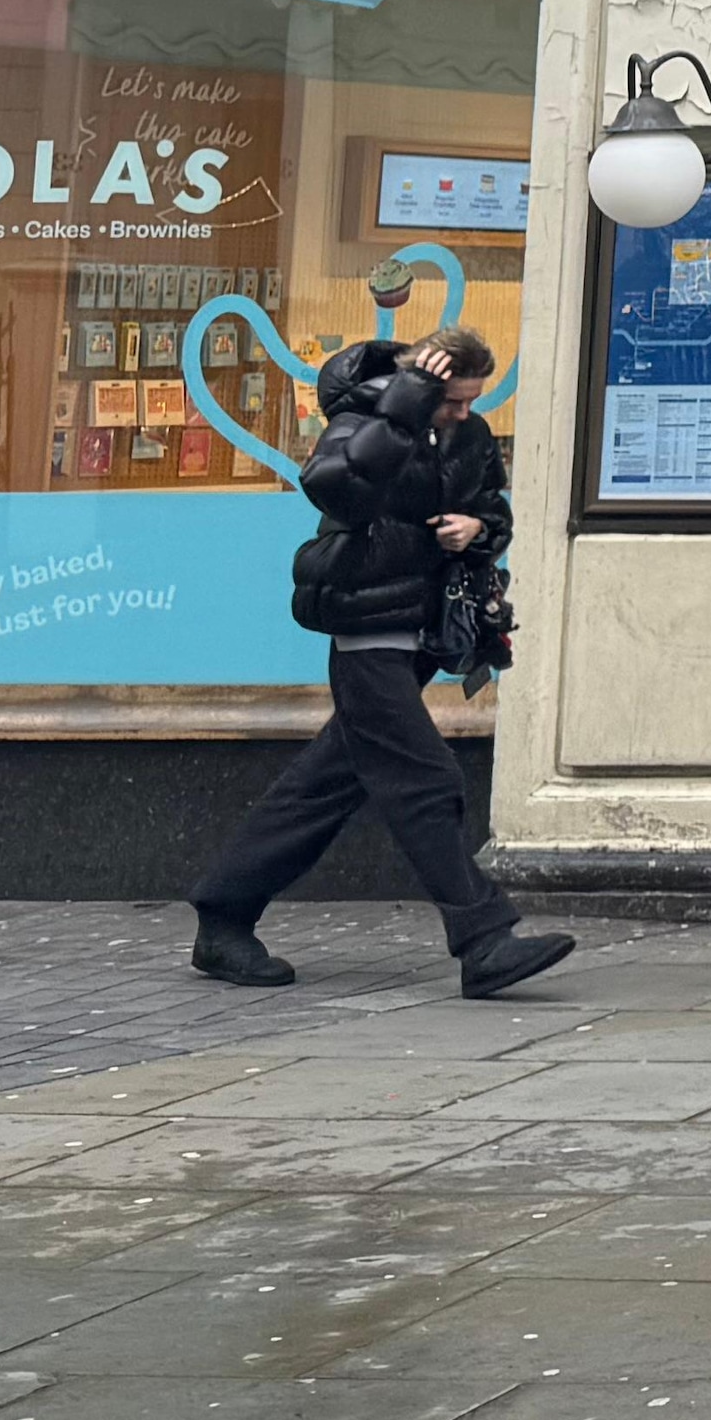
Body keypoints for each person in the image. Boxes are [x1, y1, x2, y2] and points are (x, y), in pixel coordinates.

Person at [188, 330, 573, 998]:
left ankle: (223, 916)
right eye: (452, 400)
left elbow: (494, 511)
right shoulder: (363, 418)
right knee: (424, 778)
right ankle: (483, 940)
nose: (464, 413)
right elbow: (336, 490)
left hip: (424, 629)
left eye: (472, 401)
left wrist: (478, 530)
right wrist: (404, 409)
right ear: (421, 384)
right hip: (366, 627)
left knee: (325, 785)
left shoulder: (468, 433)